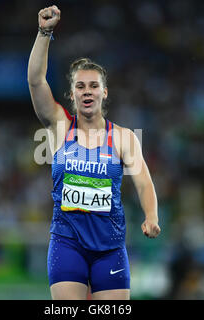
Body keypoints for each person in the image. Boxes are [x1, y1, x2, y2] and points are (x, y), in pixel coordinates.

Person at [28, 5, 160, 300]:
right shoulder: (59, 126)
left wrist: (151, 216)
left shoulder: (124, 138)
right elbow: (36, 81)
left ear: (104, 92)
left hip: (110, 249)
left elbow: (144, 182)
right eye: (80, 86)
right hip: (67, 244)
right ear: (72, 94)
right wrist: (44, 32)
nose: (87, 91)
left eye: (94, 86)